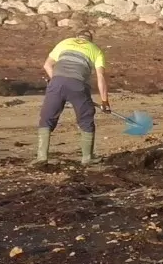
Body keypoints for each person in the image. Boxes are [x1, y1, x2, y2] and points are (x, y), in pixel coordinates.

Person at [37, 29, 110, 164]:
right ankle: (87, 158)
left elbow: (47, 65)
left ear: (77, 37)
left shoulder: (64, 43)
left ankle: (41, 157)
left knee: (46, 118)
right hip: (78, 85)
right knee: (86, 118)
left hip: (57, 83)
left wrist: (56, 81)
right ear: (90, 40)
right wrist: (105, 101)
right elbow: (100, 77)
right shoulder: (96, 50)